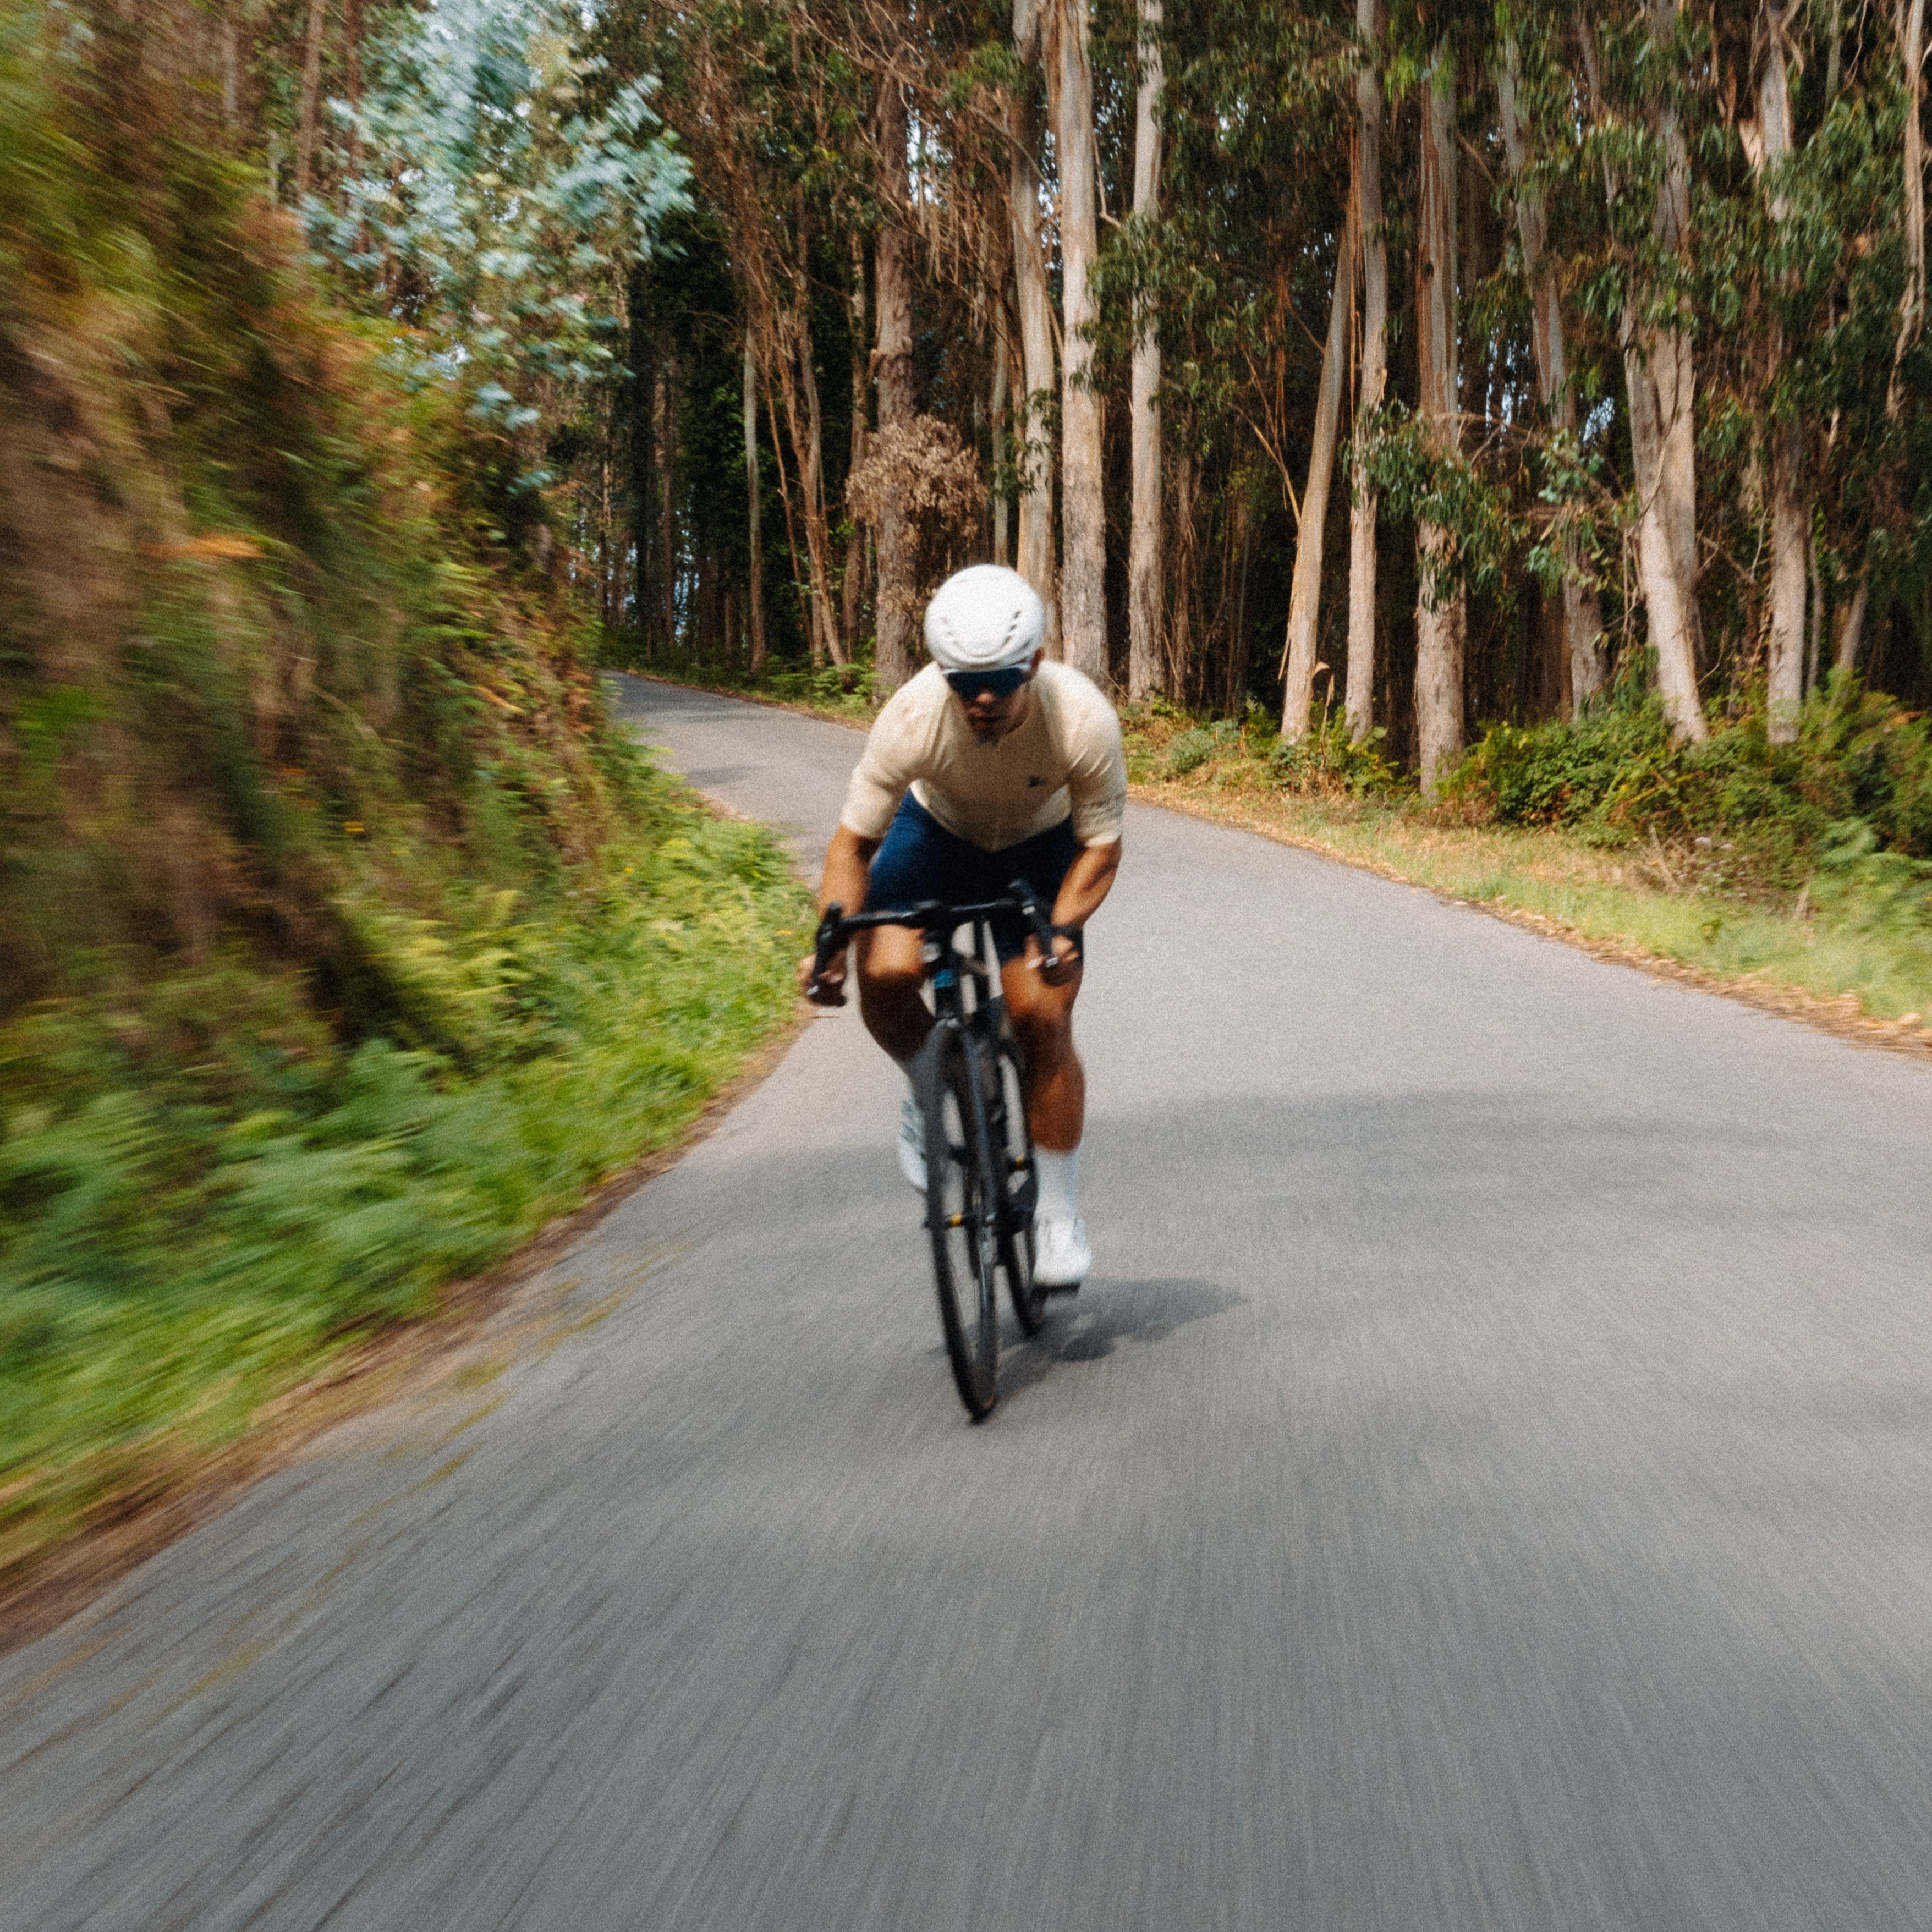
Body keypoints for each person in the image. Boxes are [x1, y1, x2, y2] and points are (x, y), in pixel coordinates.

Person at [801, 564, 1126, 1290]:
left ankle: (1058, 1214)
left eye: (1001, 681)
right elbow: (851, 847)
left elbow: (1102, 847)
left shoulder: (1082, 718)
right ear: (940, 673)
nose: (983, 699)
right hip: (937, 834)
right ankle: (931, 1081)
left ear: (1033, 664)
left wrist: (1063, 927)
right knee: (884, 972)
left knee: (1042, 1016)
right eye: (963, 681)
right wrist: (829, 944)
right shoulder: (912, 717)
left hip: (1040, 847)